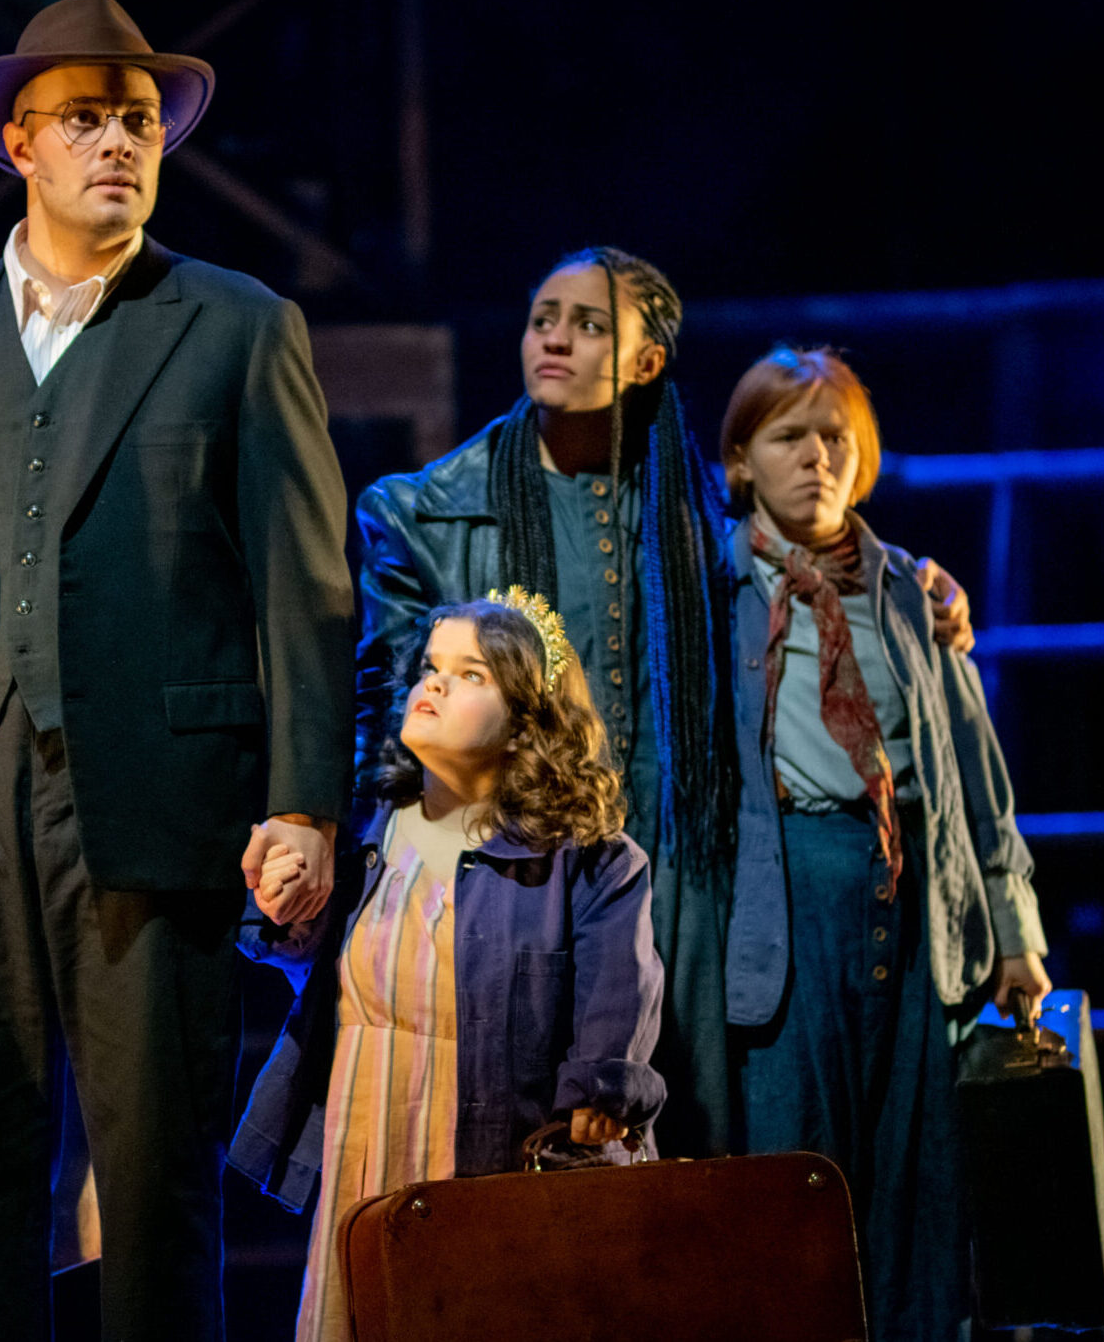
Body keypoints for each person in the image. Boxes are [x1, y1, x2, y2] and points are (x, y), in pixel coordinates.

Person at [0, 0, 354, 1342]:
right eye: (85, 118)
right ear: (21, 141)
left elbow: (304, 590)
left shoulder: (236, 326)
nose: (118, 142)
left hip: (155, 805)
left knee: (150, 1184)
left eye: (137, 121)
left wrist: (304, 801)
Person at [353, 246, 974, 1157]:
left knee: (699, 1160)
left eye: (590, 323)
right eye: (543, 319)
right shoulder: (427, 511)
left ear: (646, 361)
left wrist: (915, 583)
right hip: (518, 875)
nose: (555, 338)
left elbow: (809, 564)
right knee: (535, 1156)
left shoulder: (688, 515)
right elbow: (389, 713)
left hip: (684, 878)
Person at [719, 347, 1049, 1340]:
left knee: (917, 1191)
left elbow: (972, 779)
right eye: (790, 436)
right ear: (740, 460)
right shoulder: (706, 587)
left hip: (909, 907)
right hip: (782, 906)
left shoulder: (912, 592)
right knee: (793, 1183)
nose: (817, 456)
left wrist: (1016, 931)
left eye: (837, 438)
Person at [231, 592, 664, 1342]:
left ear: (529, 720)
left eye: (470, 674)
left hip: (490, 1164)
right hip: (366, 1143)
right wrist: (285, 912)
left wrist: (603, 1091)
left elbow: (616, 1001)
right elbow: (308, 956)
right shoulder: (366, 832)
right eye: (431, 668)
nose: (432, 684)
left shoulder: (587, 862)